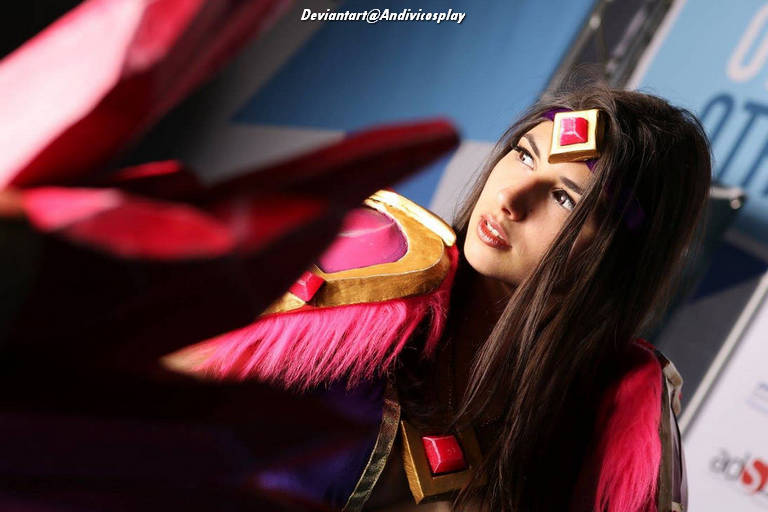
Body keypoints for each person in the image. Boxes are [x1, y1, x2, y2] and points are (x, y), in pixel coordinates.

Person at [165, 86, 711, 512]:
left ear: (617, 257)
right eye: (524, 156)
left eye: (565, 196)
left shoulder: (600, 430)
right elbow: (144, 403)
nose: (509, 199)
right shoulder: (367, 274)